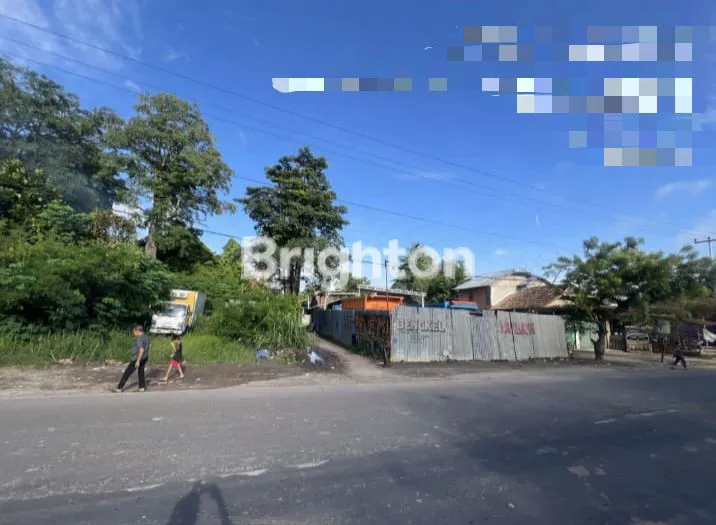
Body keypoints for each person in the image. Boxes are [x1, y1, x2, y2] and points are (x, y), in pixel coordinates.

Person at [115, 325, 150, 392]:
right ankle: (142, 387)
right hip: (145, 357)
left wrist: (138, 361)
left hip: (137, 358)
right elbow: (148, 347)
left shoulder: (139, 338)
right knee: (141, 372)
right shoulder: (146, 337)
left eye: (134, 331)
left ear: (137, 331)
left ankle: (119, 388)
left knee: (127, 372)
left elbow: (141, 349)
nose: (134, 333)